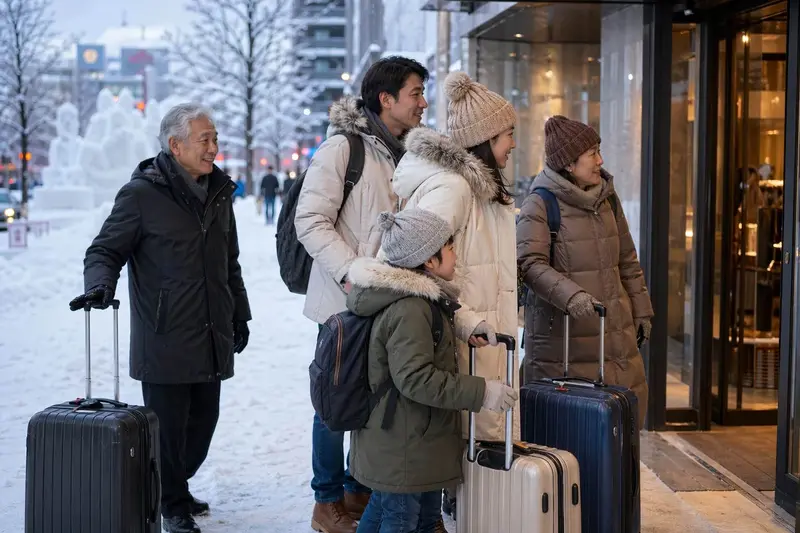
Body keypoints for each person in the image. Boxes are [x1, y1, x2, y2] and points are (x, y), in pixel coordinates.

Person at [69, 103, 252, 533]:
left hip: (210, 332)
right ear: (176, 145)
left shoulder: (219, 193)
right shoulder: (141, 195)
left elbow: (230, 262)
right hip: (164, 334)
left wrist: (239, 315)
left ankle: (175, 486)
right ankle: (171, 505)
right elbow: (104, 250)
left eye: (215, 139)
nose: (214, 148)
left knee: (202, 427)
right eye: (205, 140)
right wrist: (100, 284)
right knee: (168, 433)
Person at [294, 56, 429, 533]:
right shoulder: (342, 149)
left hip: (389, 304)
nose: (423, 101)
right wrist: (352, 271)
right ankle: (326, 501)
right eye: (415, 92)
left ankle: (356, 487)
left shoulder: (406, 152)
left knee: (375, 403)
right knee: (336, 403)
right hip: (342, 303)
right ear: (385, 99)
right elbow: (309, 220)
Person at [391, 71, 519, 518]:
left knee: (464, 460)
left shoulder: (482, 190)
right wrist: (466, 320)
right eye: (508, 135)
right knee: (451, 463)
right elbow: (413, 260)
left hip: (479, 341)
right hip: (461, 344)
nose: (513, 144)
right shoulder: (455, 189)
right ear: (485, 138)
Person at [346, 209, 518, 533]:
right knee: (399, 520)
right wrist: (482, 392)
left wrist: (466, 328)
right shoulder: (410, 307)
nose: (456, 254)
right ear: (428, 261)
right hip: (404, 445)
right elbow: (415, 378)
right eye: (450, 247)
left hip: (412, 440)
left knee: (406, 515)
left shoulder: (420, 298)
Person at [516, 115, 653, 424]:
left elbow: (628, 261)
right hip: (565, 343)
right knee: (572, 432)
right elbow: (529, 264)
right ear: (568, 163)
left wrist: (641, 311)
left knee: (617, 434)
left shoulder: (608, 200)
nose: (600, 160)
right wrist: (573, 297)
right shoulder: (541, 204)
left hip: (614, 335)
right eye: (592, 153)